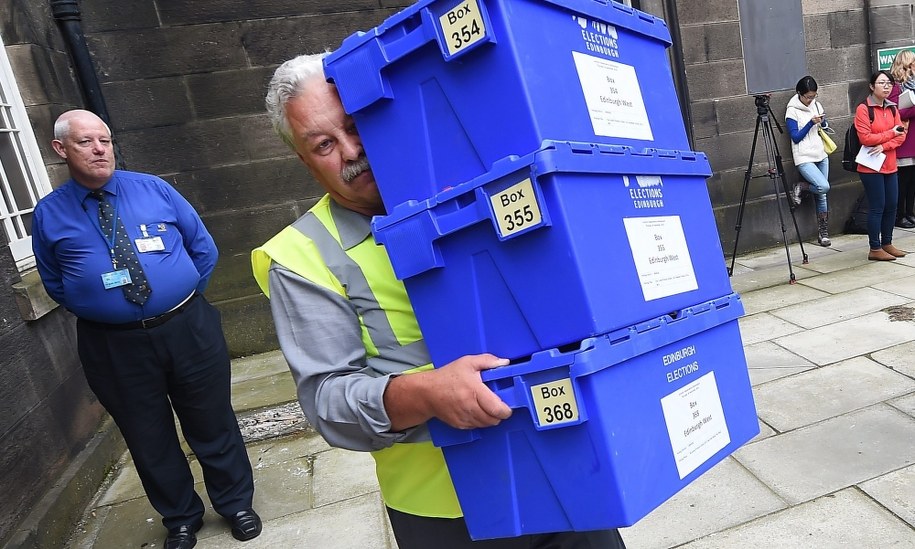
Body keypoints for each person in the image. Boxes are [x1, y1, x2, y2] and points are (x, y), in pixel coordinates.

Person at [252, 53, 628, 549]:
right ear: (304, 160)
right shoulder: (299, 257)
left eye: (354, 125)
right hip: (448, 511)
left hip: (563, 455)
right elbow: (328, 402)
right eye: (324, 144)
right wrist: (427, 394)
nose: (350, 150)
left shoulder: (476, 188)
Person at [32, 110, 262, 549]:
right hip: (113, 346)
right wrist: (106, 309)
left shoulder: (153, 189)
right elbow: (55, 282)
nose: (100, 150)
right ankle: (180, 517)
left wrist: (178, 299)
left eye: (106, 140)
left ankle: (236, 504)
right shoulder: (48, 215)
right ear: (60, 150)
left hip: (187, 328)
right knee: (146, 432)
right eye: (86, 142)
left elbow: (202, 249)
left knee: (211, 419)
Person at [855, 71, 908, 261]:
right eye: (882, 83)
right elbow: (865, 138)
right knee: (877, 206)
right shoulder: (863, 109)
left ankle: (887, 243)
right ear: (871, 86)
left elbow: (901, 134)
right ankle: (874, 248)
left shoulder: (893, 109)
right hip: (870, 167)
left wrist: (884, 144)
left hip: (890, 165)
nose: (886, 86)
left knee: (892, 205)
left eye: (889, 83)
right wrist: (890, 133)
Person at [785, 75, 832, 246]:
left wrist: (823, 122)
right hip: (804, 156)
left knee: (822, 195)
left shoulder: (816, 105)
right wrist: (810, 124)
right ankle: (801, 186)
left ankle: (823, 233)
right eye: (808, 96)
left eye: (814, 96)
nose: (811, 99)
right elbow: (795, 137)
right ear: (800, 93)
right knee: (823, 186)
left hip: (820, 153)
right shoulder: (792, 110)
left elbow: (824, 128)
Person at [888, 50, 915, 229]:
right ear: (906, 65)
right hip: (904, 139)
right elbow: (894, 112)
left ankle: (910, 212)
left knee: (913, 179)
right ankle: (900, 214)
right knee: (903, 180)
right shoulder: (895, 87)